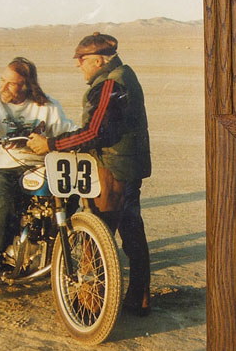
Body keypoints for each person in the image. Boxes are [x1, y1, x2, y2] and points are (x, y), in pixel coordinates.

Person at [28, 33, 152, 316]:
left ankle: (91, 304)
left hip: (112, 169)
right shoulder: (124, 75)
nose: (78, 66)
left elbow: (95, 132)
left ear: (98, 60)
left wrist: (51, 144)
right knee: (132, 233)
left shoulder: (109, 84)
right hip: (130, 166)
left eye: (81, 60)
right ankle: (139, 300)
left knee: (96, 235)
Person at [0, 57, 72, 275]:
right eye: (2, 80)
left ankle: (61, 245)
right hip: (1, 165)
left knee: (66, 195)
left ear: (27, 86)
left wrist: (82, 139)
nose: (3, 86)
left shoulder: (47, 105)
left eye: (11, 83)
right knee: (7, 197)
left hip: (37, 165)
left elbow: (64, 128)